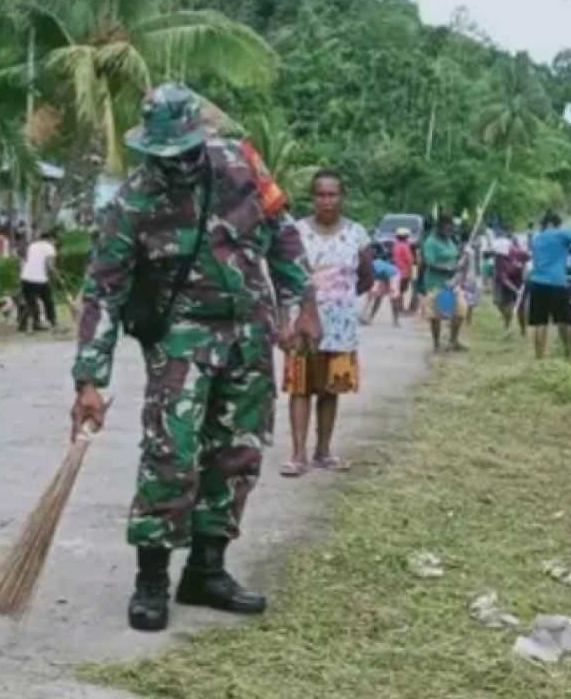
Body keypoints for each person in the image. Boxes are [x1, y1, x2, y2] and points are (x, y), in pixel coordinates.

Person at [69, 83, 318, 633]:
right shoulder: (132, 203)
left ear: (198, 137)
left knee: (238, 452)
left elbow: (282, 236)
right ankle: (152, 580)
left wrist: (301, 302)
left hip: (249, 334)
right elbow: (103, 293)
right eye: (163, 154)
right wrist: (90, 378)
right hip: (181, 340)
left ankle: (207, 569)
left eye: (182, 150)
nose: (175, 163)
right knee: (171, 453)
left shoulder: (242, 166)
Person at [282, 170, 373, 478]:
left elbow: (367, 277)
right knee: (300, 387)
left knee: (330, 389)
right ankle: (298, 454)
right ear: (312, 197)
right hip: (303, 323)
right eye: (320, 194)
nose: (327, 200)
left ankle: (323, 450)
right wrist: (287, 320)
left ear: (342, 197)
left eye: (333, 194)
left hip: (341, 327)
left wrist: (340, 299)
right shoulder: (296, 232)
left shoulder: (357, 234)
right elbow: (283, 277)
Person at [527, 211, 571, 359]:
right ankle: (567, 353)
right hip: (557, 283)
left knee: (540, 322)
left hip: (537, 282)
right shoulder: (561, 234)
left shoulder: (537, 238)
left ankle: (539, 357)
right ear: (554, 223)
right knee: (564, 320)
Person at [421, 215, 466, 353]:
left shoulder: (449, 241)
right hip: (435, 283)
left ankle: (453, 341)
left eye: (450, 229)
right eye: (446, 228)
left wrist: (462, 257)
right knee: (436, 316)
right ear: (438, 228)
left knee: (460, 311)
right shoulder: (430, 242)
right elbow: (430, 262)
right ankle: (436, 344)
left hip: (451, 283)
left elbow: (454, 256)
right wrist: (448, 268)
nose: (449, 231)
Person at [493, 228, 529, 336]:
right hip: (507, 284)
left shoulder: (517, 252)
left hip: (520, 280)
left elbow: (528, 258)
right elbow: (504, 279)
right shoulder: (499, 261)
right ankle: (507, 326)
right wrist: (515, 290)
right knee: (505, 305)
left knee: (521, 309)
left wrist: (524, 269)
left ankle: (523, 330)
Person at [20, 230, 58, 333]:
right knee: (48, 301)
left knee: (30, 303)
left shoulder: (32, 246)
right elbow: (50, 266)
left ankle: (28, 328)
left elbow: (28, 260)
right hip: (40, 279)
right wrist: (56, 273)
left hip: (26, 277)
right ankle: (53, 324)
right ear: (51, 239)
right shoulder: (50, 247)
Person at [362, 244, 399, 326]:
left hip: (393, 275)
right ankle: (369, 319)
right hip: (383, 277)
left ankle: (396, 321)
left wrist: (389, 288)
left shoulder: (376, 265)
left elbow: (382, 276)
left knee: (393, 298)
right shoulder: (370, 265)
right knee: (378, 298)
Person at [391, 227, 414, 325]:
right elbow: (409, 259)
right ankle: (401, 307)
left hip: (396, 270)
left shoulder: (395, 245)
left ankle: (399, 307)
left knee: (398, 290)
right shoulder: (405, 246)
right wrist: (411, 269)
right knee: (402, 290)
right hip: (404, 271)